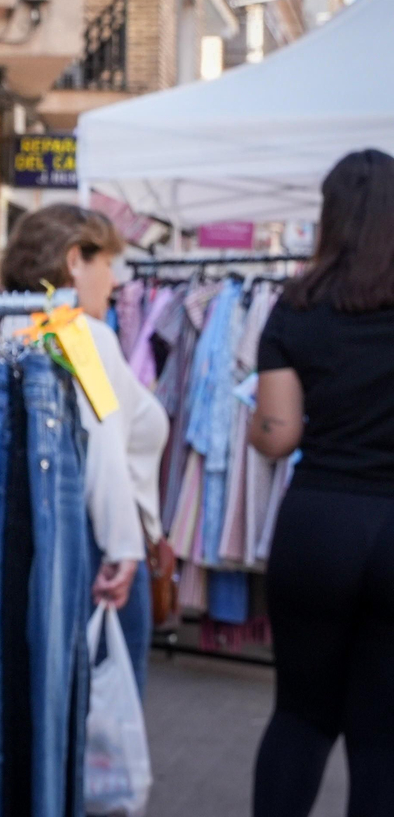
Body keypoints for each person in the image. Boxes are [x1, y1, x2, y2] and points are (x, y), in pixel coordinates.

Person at [249, 148, 394, 816]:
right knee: (382, 737)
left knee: (301, 717)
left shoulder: (297, 306)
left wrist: (253, 424)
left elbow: (277, 434)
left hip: (318, 525)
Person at [2, 205, 164, 691]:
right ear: (75, 260)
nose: (113, 281)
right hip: (94, 551)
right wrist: (123, 547)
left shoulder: (5, 324)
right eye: (107, 264)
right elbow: (103, 448)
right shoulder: (80, 334)